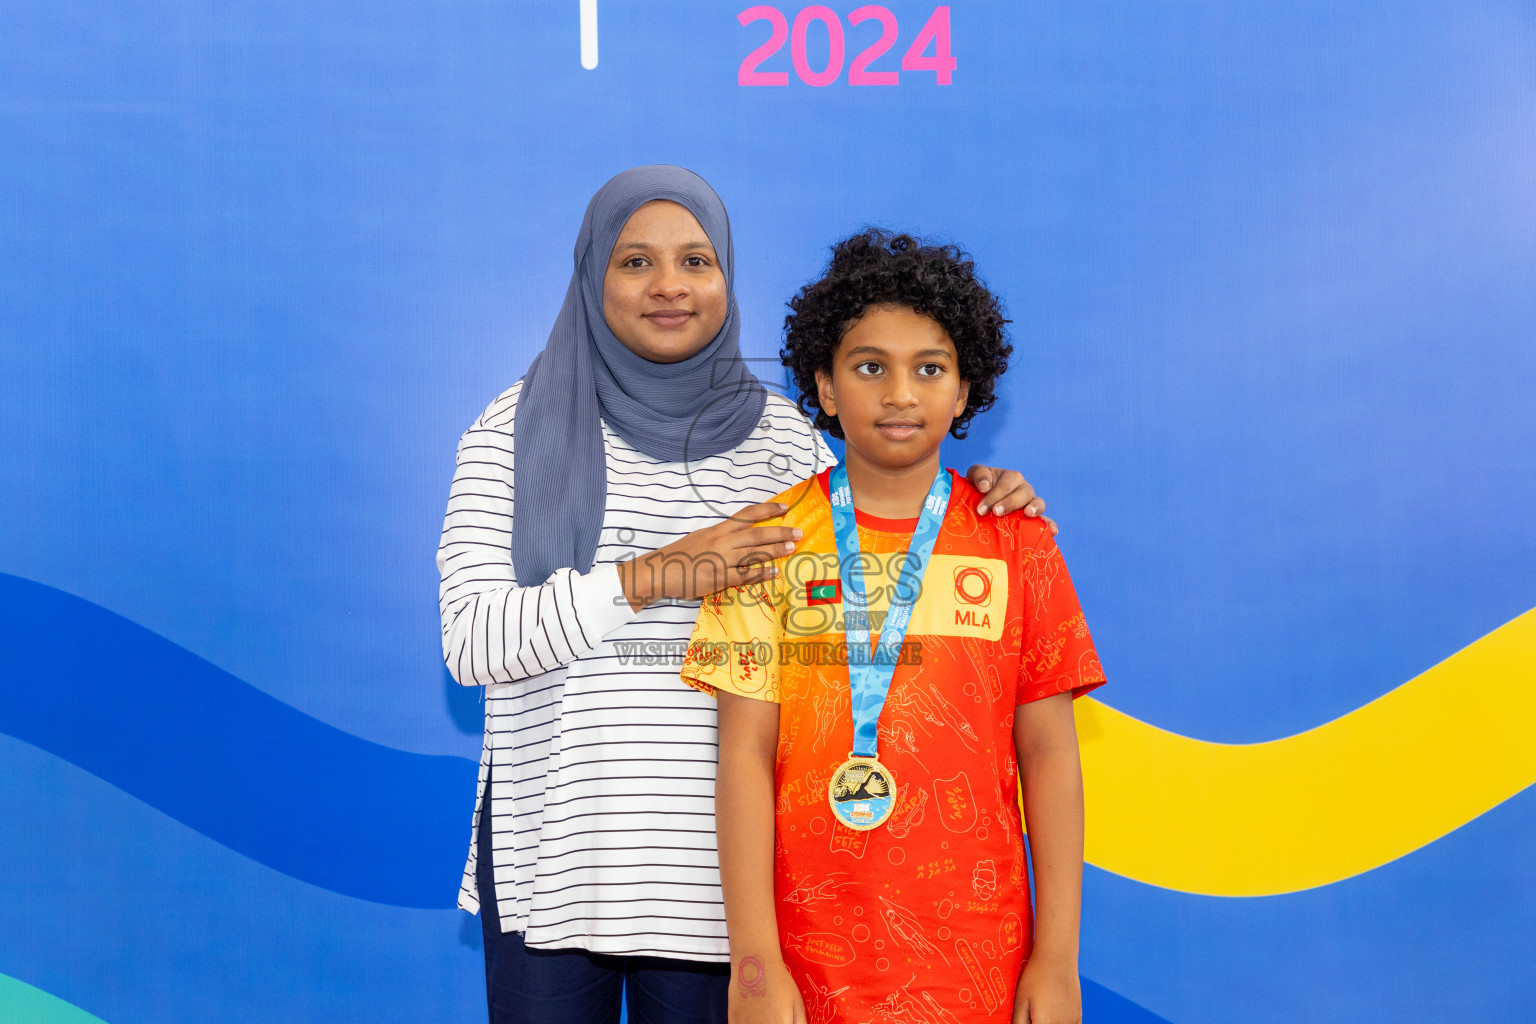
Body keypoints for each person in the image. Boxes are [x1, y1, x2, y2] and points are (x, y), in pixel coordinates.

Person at [436, 167, 1052, 1024]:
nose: (668, 288)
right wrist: (655, 575)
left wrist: (981, 500)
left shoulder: (784, 444)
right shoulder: (510, 429)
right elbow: (470, 644)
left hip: (718, 886)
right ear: (589, 276)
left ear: (726, 276)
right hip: (556, 858)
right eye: (635, 263)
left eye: (695, 261)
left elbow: (884, 551)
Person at [680, 229, 1106, 1024]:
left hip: (983, 963)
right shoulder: (768, 542)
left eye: (930, 368)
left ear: (965, 389)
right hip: (807, 962)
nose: (900, 393)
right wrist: (756, 964)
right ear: (827, 386)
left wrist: (1057, 958)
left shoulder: (1016, 540)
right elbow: (742, 754)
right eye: (870, 366)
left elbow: (1049, 753)